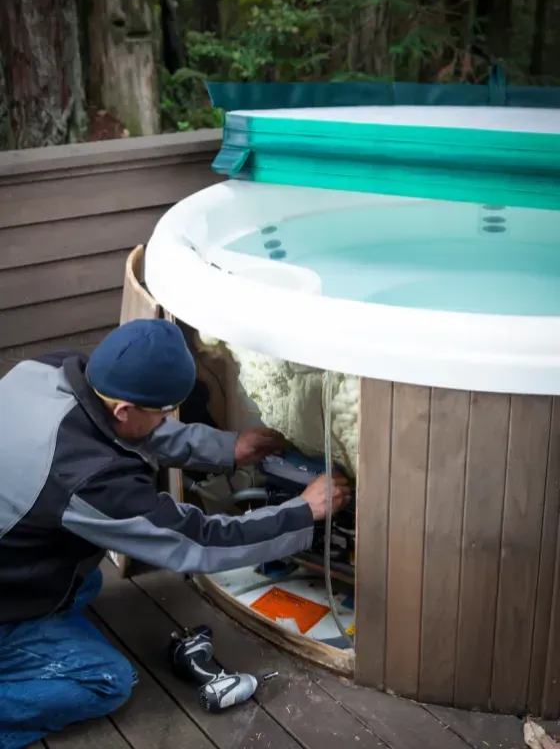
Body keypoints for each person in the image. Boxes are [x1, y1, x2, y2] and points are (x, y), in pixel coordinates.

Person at [0, 318, 351, 749]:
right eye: (164, 412)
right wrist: (301, 513)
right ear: (125, 410)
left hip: (13, 559)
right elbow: (197, 541)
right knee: (105, 682)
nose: (168, 419)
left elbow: (120, 430)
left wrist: (227, 448)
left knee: (85, 579)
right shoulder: (86, 476)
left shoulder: (49, 372)